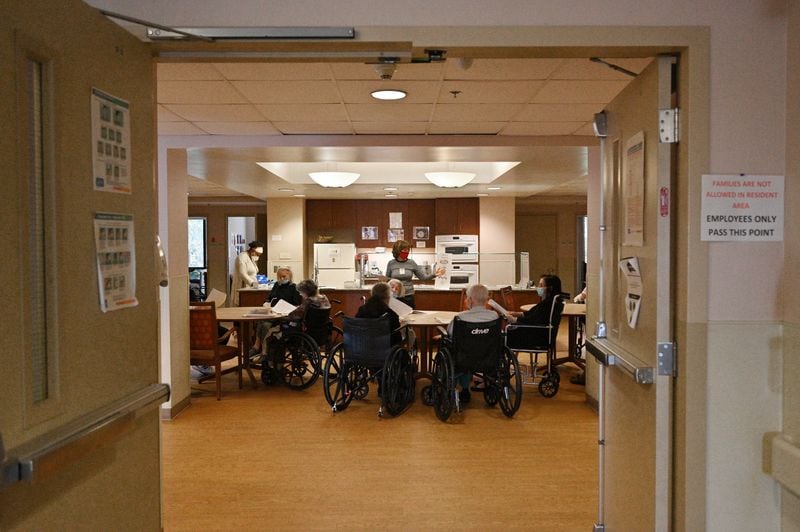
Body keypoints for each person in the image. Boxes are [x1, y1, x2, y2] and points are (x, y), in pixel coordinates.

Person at [447, 283, 499, 404]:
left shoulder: (460, 317)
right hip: (488, 357)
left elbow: (450, 333)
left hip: (463, 358)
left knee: (456, 350)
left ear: (469, 299)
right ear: (487, 299)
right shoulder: (494, 316)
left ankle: (461, 386)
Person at [384, 240, 444, 308]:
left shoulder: (411, 263)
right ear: (398, 251)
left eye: (408, 250)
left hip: (408, 296)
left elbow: (423, 277)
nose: (407, 252)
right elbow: (387, 280)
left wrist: (434, 274)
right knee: (394, 317)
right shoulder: (391, 263)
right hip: (395, 296)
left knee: (410, 316)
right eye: (404, 250)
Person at [232, 240, 263, 306]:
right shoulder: (242, 257)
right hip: (244, 286)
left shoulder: (250, 257)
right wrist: (252, 283)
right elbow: (242, 273)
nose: (258, 256)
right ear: (253, 250)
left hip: (252, 287)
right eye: (257, 254)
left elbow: (254, 271)